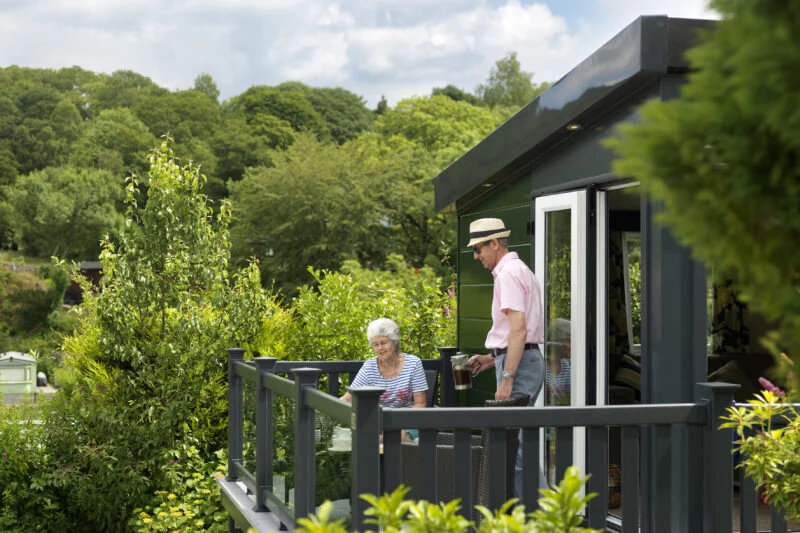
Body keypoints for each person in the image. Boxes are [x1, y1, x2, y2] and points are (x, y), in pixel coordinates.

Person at [465, 217, 546, 496]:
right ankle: (544, 515)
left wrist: (508, 377)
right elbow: (518, 331)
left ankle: (539, 518)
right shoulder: (518, 269)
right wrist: (491, 358)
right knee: (519, 443)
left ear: (494, 243)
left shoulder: (508, 274)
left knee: (517, 448)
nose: (476, 256)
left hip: (520, 365)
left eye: (478, 249)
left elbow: (520, 330)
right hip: (524, 360)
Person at [340, 317, 428, 441]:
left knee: (394, 437)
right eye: (375, 344)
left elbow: (420, 403)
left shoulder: (413, 363)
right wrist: (326, 411)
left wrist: (397, 422)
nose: (380, 348)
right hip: (377, 422)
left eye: (384, 342)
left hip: (408, 421)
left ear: (394, 341)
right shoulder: (369, 366)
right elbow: (348, 398)